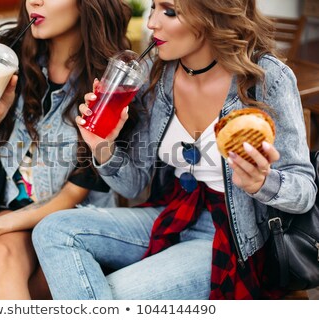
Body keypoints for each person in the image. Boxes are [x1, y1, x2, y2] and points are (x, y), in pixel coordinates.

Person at [32, 0, 317, 299]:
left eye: (169, 11)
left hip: (232, 235)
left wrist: (263, 183)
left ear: (211, 14)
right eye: (153, 7)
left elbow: (304, 192)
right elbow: (133, 185)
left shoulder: (267, 78)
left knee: (113, 295)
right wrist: (102, 146)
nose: (151, 23)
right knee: (52, 230)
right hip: (172, 214)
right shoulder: (156, 77)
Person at [0, 0, 134, 299]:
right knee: (1, 257)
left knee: (36, 277)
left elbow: (75, 194)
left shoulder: (110, 82)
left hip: (74, 219)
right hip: (11, 208)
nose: (35, 1)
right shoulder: (8, 53)